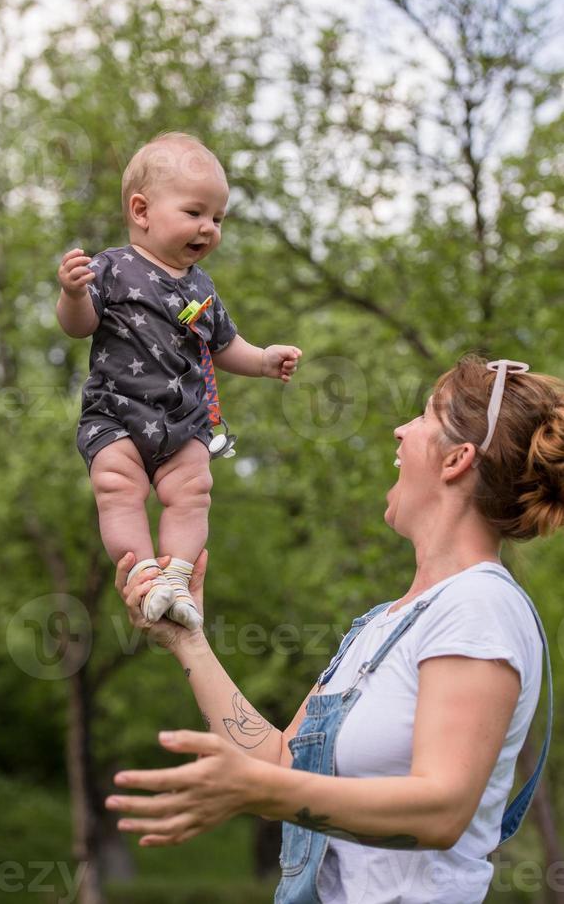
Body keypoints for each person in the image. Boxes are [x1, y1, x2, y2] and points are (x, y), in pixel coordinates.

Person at [106, 355, 557, 904]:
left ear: (457, 459)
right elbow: (278, 762)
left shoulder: (479, 605)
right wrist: (186, 640)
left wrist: (261, 791)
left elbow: (442, 811)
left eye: (422, 416)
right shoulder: (381, 626)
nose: (401, 430)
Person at [56, 132, 302, 631]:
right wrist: (74, 295)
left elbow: (224, 344)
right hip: (117, 415)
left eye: (217, 218)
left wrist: (263, 360)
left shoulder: (202, 286)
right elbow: (79, 326)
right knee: (116, 485)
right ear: (142, 211)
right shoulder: (113, 268)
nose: (208, 228)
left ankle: (176, 578)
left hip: (181, 421)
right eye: (195, 213)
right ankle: (144, 573)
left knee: (194, 490)